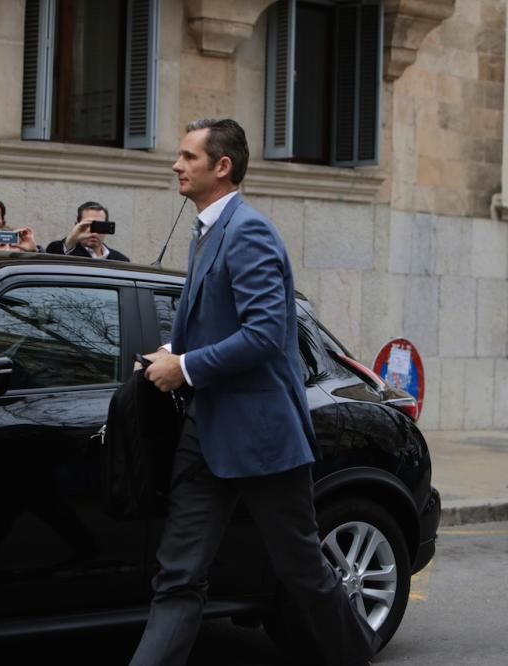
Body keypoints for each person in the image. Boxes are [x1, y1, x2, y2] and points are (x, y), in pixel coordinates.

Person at [130, 119, 380, 666]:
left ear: (222, 167)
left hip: (262, 439)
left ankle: (355, 653)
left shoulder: (249, 231)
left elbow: (266, 335)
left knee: (301, 569)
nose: (176, 165)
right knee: (178, 573)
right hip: (206, 431)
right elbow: (216, 324)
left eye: (188, 156)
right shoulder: (205, 231)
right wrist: (170, 351)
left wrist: (186, 367)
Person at [45, 201, 129, 261]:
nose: (93, 232)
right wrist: (71, 240)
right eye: (87, 225)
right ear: (76, 226)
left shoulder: (121, 260)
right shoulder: (58, 249)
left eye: (99, 226)